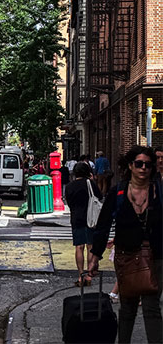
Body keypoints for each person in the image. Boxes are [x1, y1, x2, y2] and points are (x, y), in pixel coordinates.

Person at [89, 146, 162, 344]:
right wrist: (95, 257)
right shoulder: (118, 191)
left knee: (151, 307)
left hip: (156, 257)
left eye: (147, 164)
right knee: (127, 307)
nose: (143, 168)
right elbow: (103, 225)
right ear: (130, 166)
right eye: (139, 164)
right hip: (126, 255)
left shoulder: (159, 191)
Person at [65, 161, 102, 287]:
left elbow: (69, 203)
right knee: (90, 246)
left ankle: (80, 275)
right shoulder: (90, 184)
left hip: (76, 218)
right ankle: (88, 274)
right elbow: (99, 196)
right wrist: (92, 181)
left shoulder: (70, 186)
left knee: (79, 247)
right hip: (90, 218)